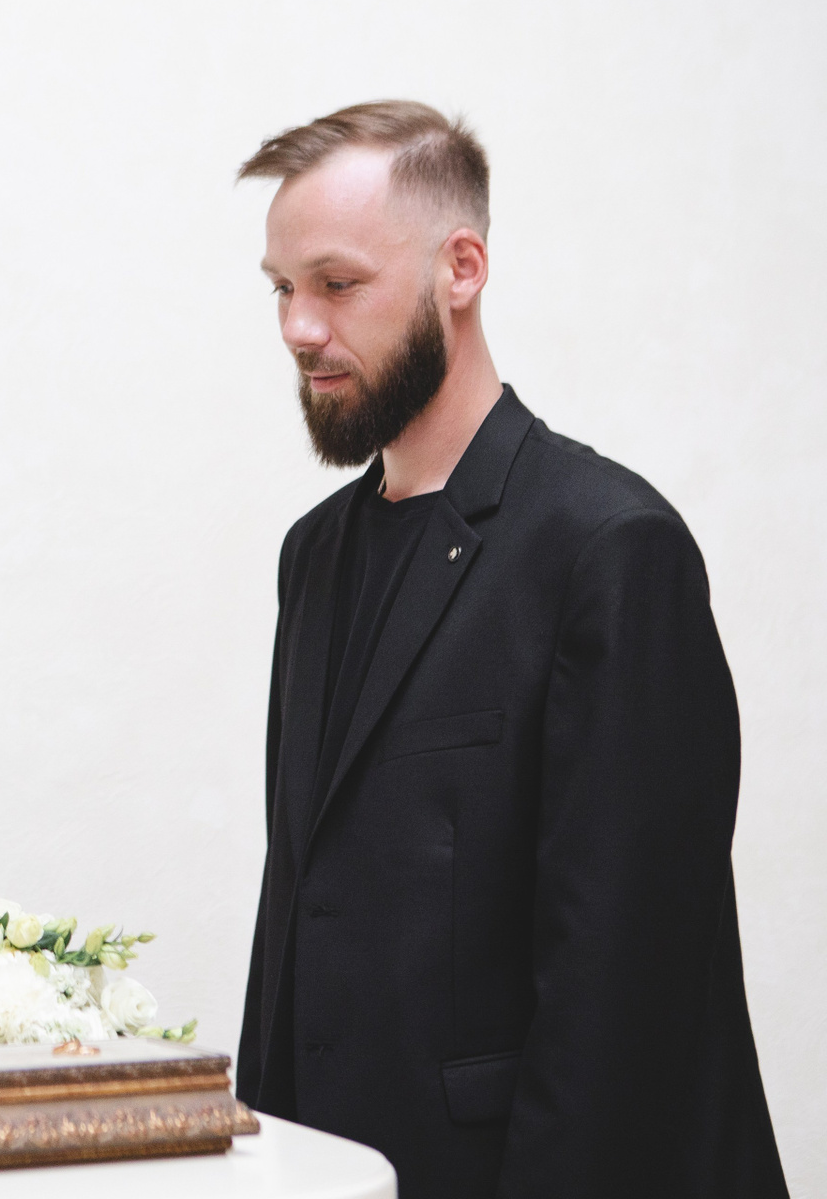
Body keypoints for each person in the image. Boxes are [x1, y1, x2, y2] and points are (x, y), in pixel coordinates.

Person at [233, 102, 785, 1196]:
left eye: (337, 284)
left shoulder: (611, 549)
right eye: (281, 288)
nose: (298, 326)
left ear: (462, 269)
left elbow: (626, 992)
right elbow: (298, 919)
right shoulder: (315, 555)